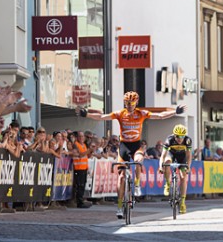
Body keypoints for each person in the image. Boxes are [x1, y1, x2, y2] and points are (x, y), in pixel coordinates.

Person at [78, 90, 187, 218]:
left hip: (136, 145)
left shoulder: (141, 113)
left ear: (136, 103)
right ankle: (119, 207)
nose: (129, 105)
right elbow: (102, 117)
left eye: (132, 103)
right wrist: (86, 114)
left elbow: (160, 116)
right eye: (127, 103)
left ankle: (136, 184)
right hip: (124, 145)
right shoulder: (120, 113)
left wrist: (175, 111)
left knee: (138, 159)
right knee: (122, 177)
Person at [158, 124, 192, 214]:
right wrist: (161, 166)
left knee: (183, 176)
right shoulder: (169, 140)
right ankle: (168, 184)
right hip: (171, 154)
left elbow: (188, 156)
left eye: (182, 136)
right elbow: (163, 155)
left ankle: (183, 202)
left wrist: (188, 166)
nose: (180, 139)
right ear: (174, 135)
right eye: (177, 136)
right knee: (167, 162)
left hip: (182, 156)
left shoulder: (187, 140)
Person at [71, 131, 91, 208]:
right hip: (78, 168)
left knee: (83, 185)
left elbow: (86, 155)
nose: (82, 138)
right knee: (79, 185)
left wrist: (90, 151)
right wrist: (88, 151)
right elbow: (80, 154)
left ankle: (81, 200)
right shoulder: (76, 144)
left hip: (84, 167)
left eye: (83, 136)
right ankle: (79, 202)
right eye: (80, 136)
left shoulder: (84, 145)